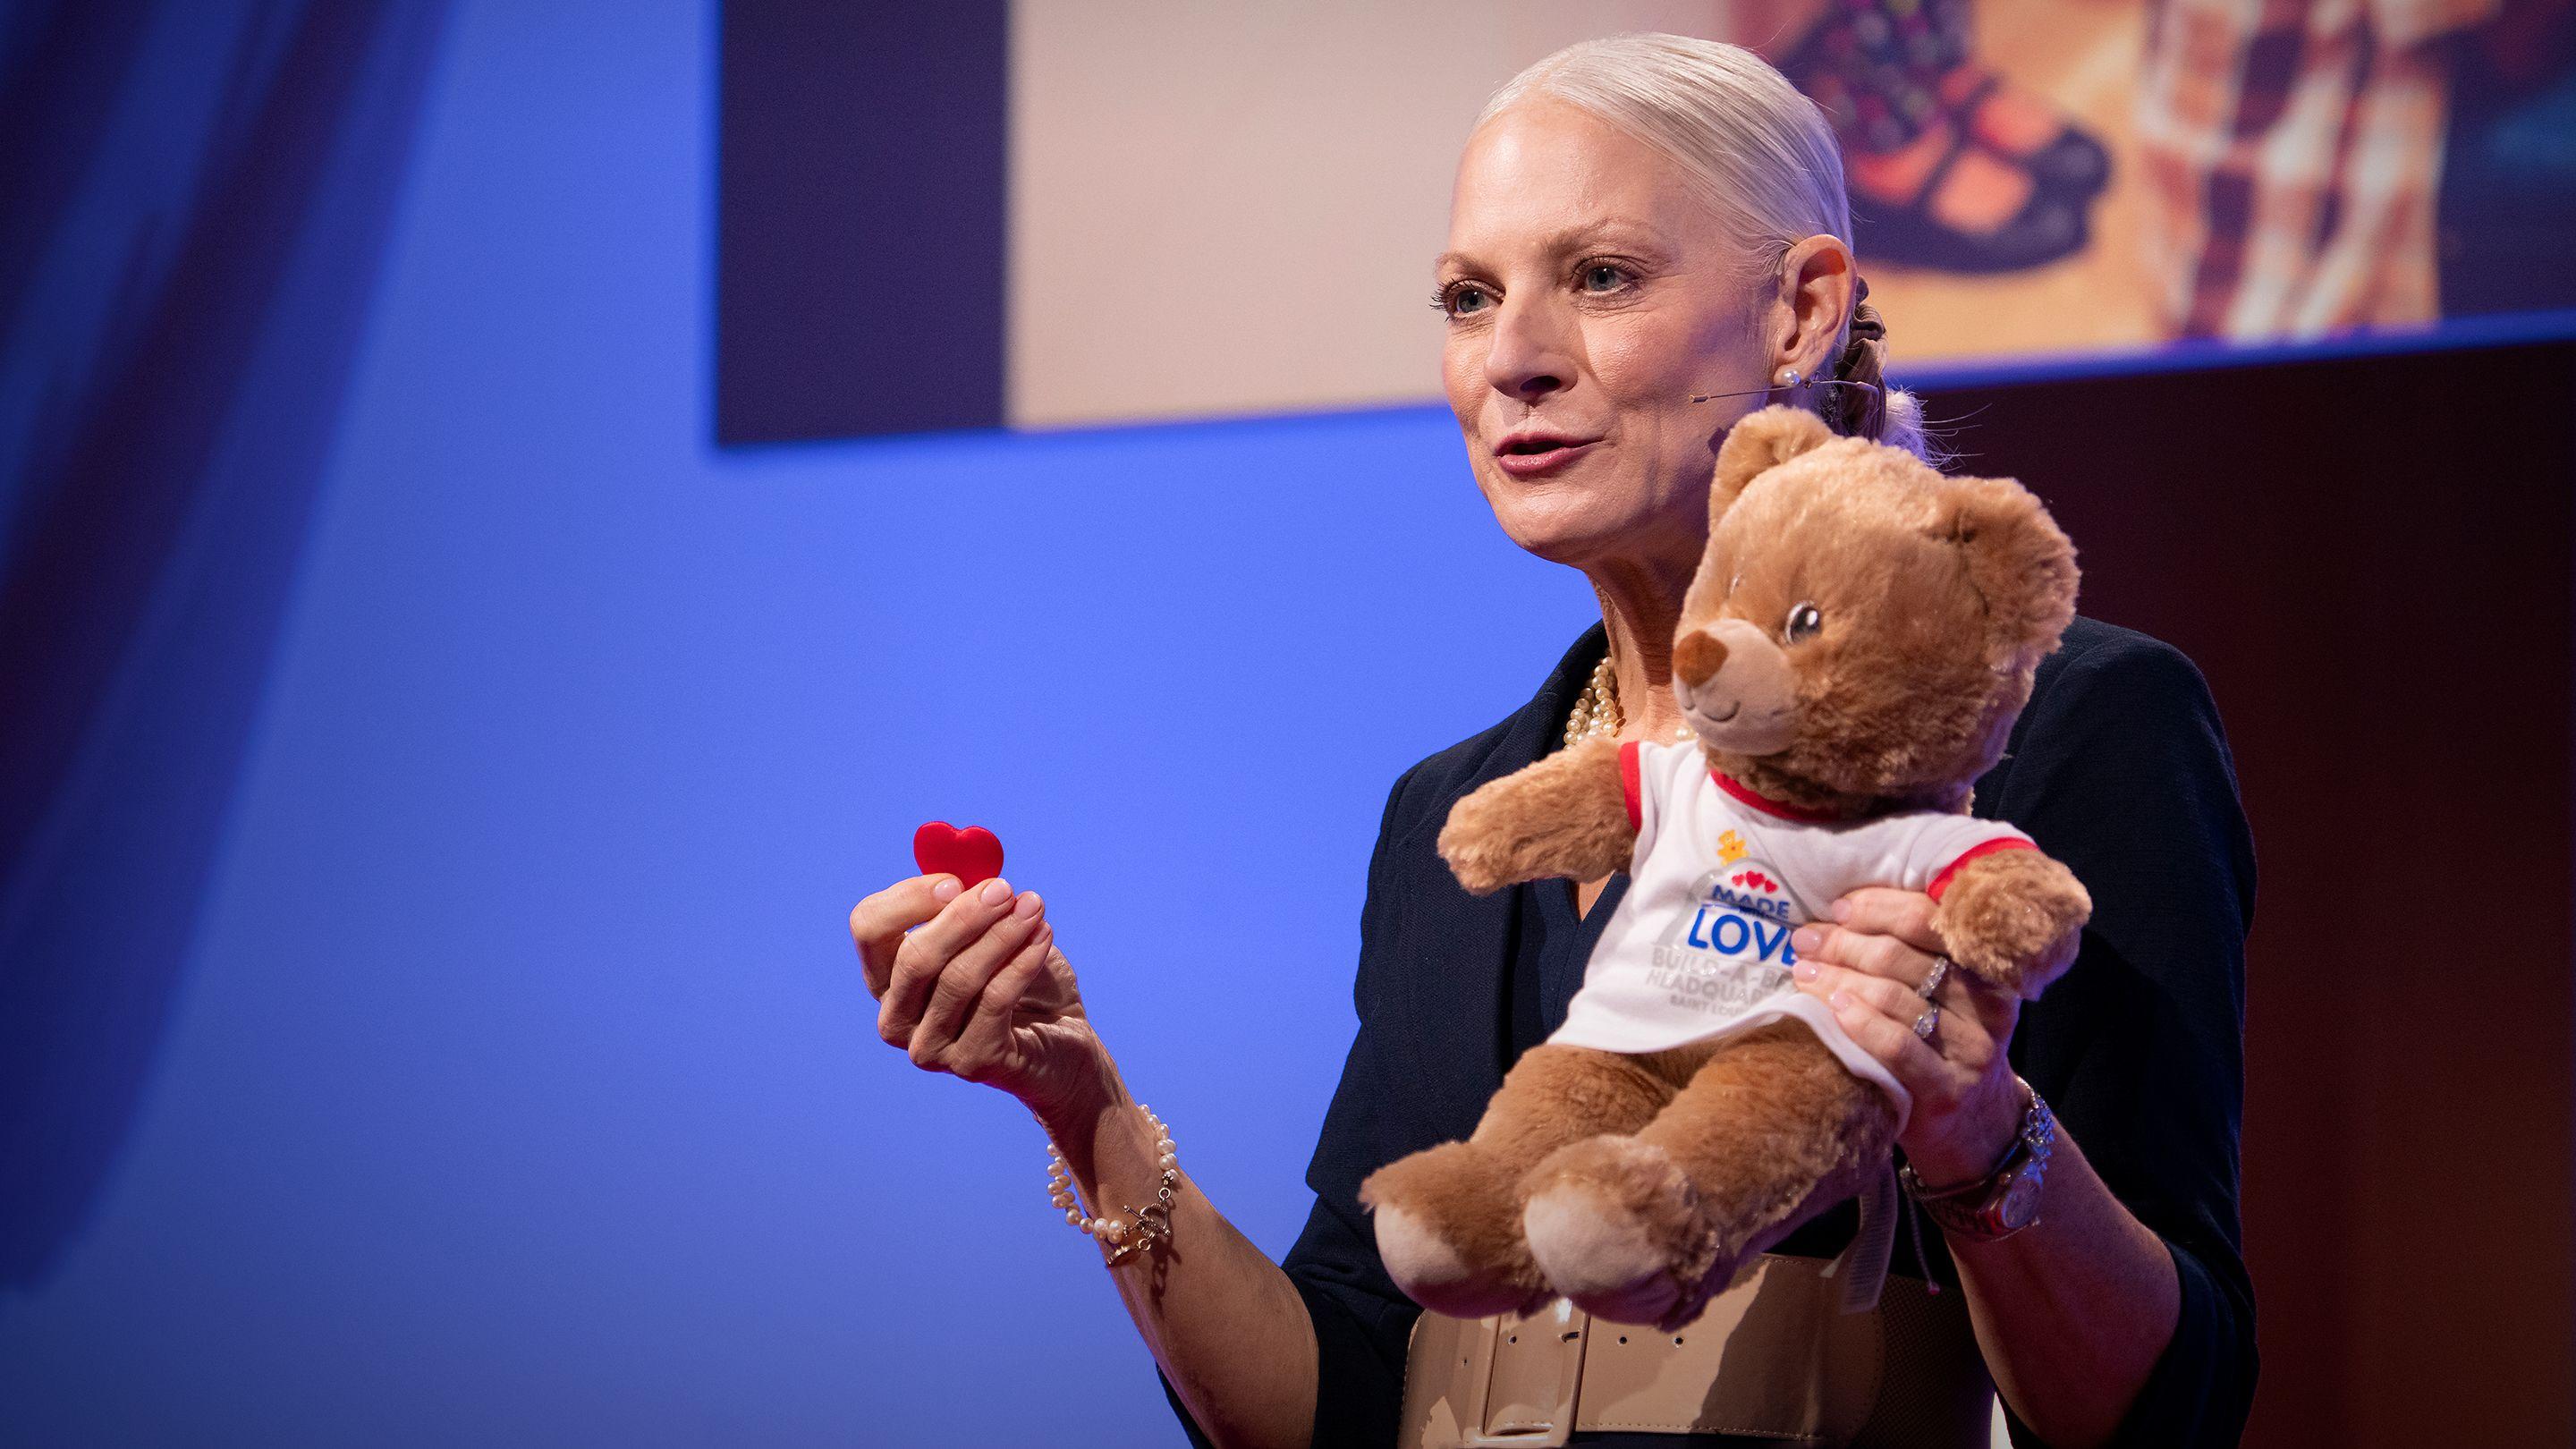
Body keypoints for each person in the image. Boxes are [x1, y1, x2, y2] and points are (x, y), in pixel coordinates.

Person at [852, 32, 2255, 1449]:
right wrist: (1079, 1100)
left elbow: (2175, 1403)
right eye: (1469, 299)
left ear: (1801, 311)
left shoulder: (2058, 724)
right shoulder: (1453, 814)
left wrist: (1979, 1135)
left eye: (1601, 277)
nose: (1512, 360)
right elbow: (1332, 1403)